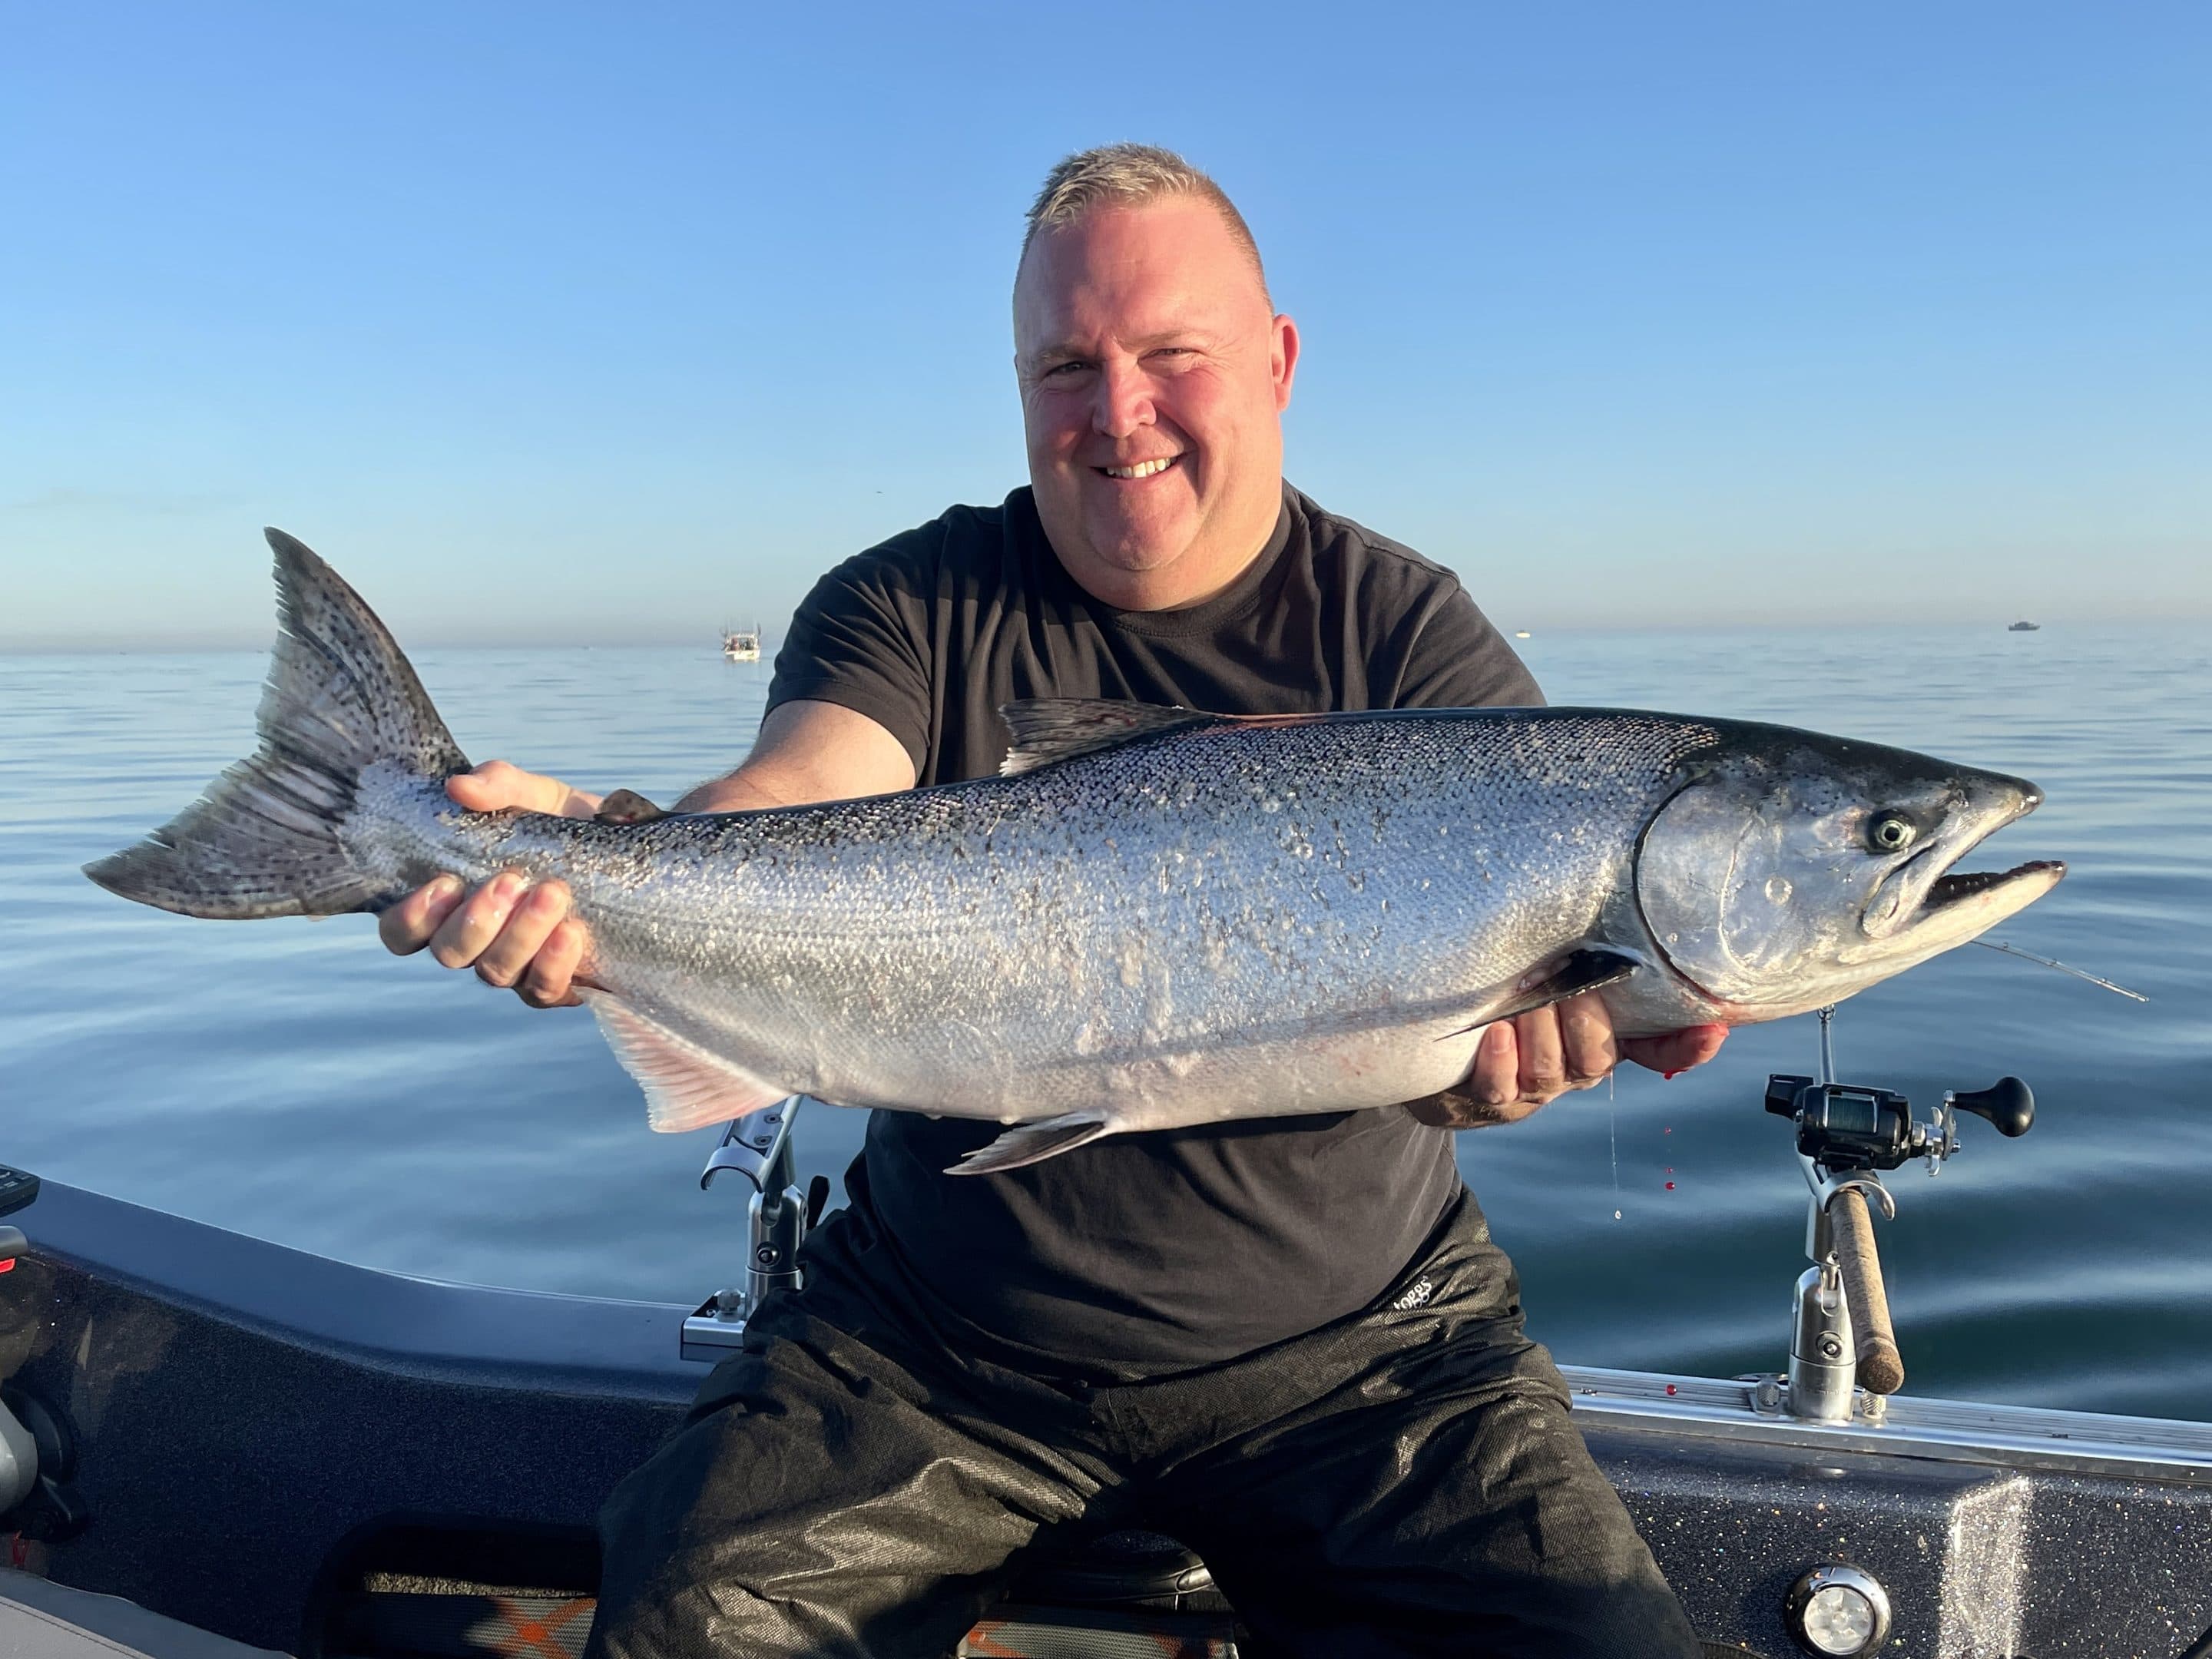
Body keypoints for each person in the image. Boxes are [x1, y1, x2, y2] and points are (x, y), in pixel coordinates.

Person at [380, 145, 1727, 1657]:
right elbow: (796, 799)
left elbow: (1532, 1008)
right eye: (1068, 366)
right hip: (935, 1340)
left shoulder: (1407, 632)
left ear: (1277, 363)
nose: (1118, 412)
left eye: (1171, 358)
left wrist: (1500, 1079)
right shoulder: (918, 599)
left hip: (1364, 1352)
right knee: (694, 1620)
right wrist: (602, 864)